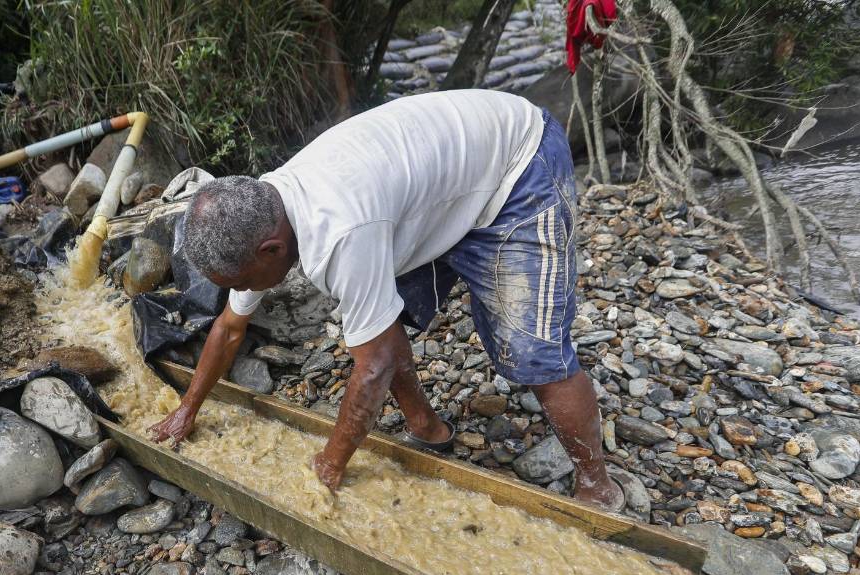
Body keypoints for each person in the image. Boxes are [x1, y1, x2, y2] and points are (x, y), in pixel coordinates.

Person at [149, 89, 625, 511]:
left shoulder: (339, 233)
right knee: (378, 318)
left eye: (241, 281)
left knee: (532, 352)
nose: (243, 292)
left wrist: (330, 464)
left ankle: (597, 489)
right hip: (440, 179)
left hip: (516, 167)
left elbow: (373, 366)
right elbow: (231, 328)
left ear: (270, 250)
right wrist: (189, 407)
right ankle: (427, 427)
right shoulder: (265, 208)